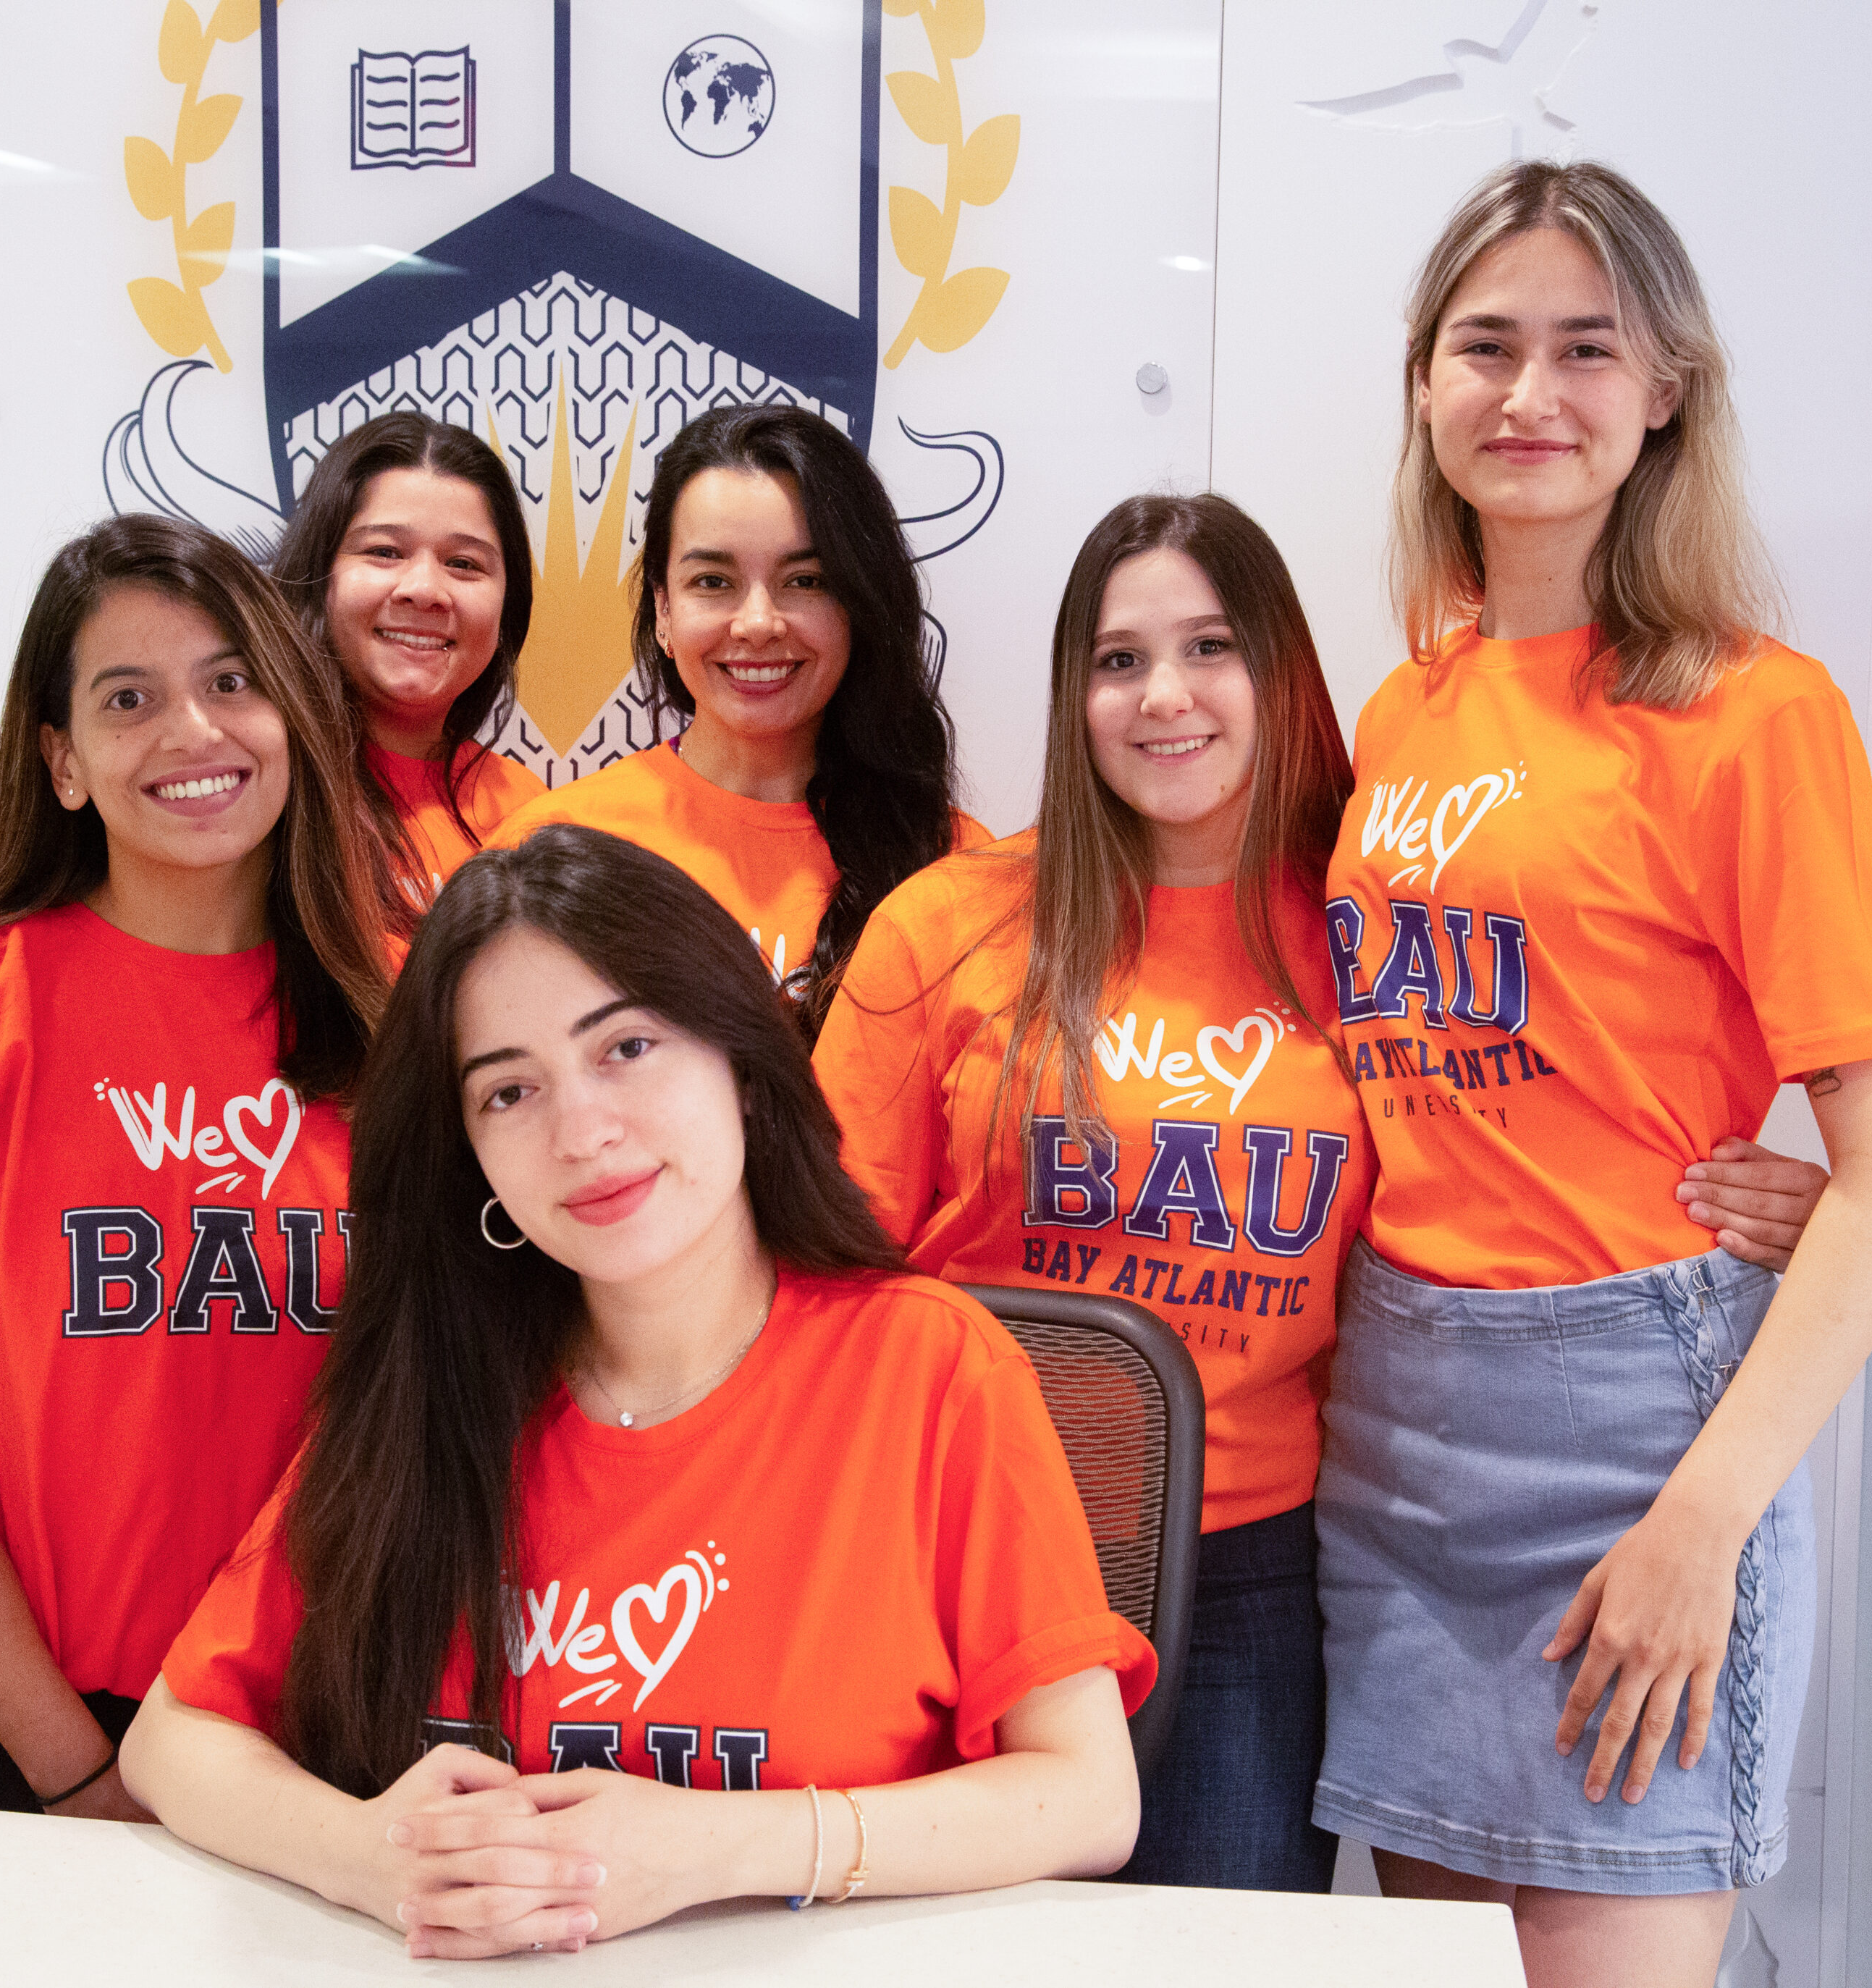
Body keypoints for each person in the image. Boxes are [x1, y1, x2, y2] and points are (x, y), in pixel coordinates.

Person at [812, 494, 1829, 1895]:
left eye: (1211, 647)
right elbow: (817, 1267)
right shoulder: (947, 927)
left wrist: (1786, 1204)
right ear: (1073, 695)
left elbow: (1511, 1134)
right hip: (963, 1559)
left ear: (1279, 672)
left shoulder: (1363, 927)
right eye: (1117, 660)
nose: (1164, 696)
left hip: (1244, 1580)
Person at [121, 825, 1152, 1959]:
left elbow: (1090, 1794)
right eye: (509, 1091)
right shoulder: (434, 1383)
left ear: (742, 1067)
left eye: (626, 1048)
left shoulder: (928, 1367)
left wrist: (725, 1845)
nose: (584, 1132)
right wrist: (368, 1858)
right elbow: (171, 1738)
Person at [1315, 160, 1872, 1987]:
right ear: (1423, 387)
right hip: (1397, 1417)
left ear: (1665, 385)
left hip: (1634, 1438)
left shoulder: (1756, 714)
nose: (1529, 396)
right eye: (1483, 346)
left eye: (1585, 348)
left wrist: (1703, 1521)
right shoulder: (1403, 709)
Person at [0, 515, 397, 1817]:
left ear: (295, 720)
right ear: (62, 761)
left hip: (302, 1729)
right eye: (129, 698)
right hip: (9, 1730)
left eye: (233, 681)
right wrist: (82, 1775)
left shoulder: (399, 1024)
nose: (194, 731)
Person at [489, 403, 978, 1029]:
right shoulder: (552, 851)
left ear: (861, 604)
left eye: (806, 581)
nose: (756, 623)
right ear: (663, 611)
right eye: (714, 582)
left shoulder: (958, 865)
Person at [271, 413, 544, 908]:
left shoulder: (527, 809)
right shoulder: (261, 785)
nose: (424, 590)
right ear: (319, 573)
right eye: (385, 551)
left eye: (463, 563)